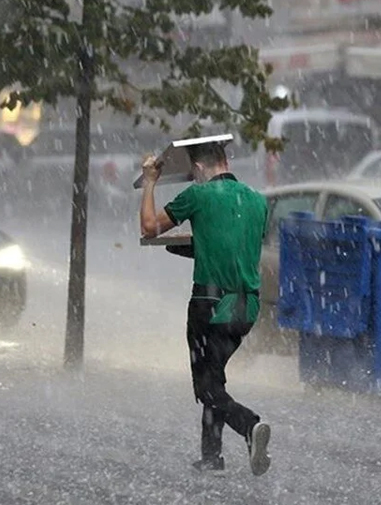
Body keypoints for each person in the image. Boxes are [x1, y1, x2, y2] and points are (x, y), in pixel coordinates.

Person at [139, 140, 272, 476]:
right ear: (226, 160)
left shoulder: (198, 196)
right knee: (214, 376)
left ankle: (249, 425)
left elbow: (149, 227)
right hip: (246, 309)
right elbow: (235, 246)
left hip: (210, 306)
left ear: (197, 168)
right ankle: (211, 456)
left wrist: (151, 181)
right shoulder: (257, 201)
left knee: (206, 387)